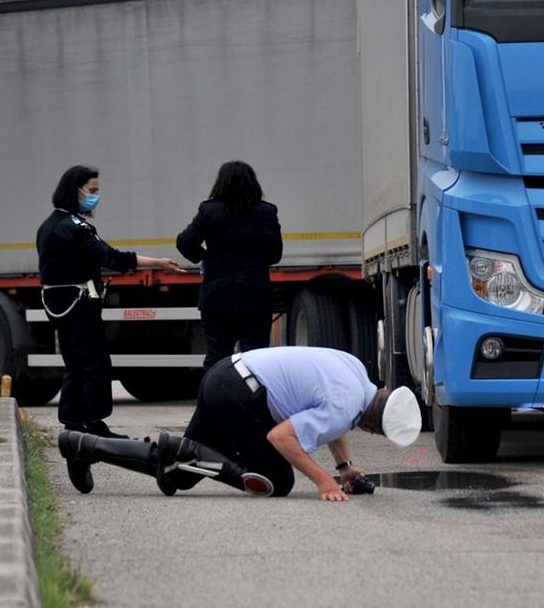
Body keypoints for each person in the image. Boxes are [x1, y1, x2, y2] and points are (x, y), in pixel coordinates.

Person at [57, 346, 422, 501]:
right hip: (237, 395)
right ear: (373, 427)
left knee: (180, 474)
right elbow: (282, 438)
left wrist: (343, 466)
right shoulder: (346, 409)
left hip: (228, 375)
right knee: (277, 481)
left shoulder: (357, 375)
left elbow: (334, 419)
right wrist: (325, 481)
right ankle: (188, 452)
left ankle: (82, 446)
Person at [37, 165, 184, 437]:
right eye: (92, 191)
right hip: (80, 304)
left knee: (74, 363)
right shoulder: (75, 227)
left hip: (58, 304)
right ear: (75, 190)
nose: (95, 197)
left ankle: (72, 421)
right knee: (95, 363)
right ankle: (94, 423)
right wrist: (157, 262)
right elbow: (111, 257)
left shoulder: (48, 225)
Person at [176, 161, 282, 376]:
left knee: (217, 357)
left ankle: (215, 404)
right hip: (255, 298)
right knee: (257, 359)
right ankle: (255, 405)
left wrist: (206, 258)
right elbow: (275, 254)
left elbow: (184, 242)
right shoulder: (267, 212)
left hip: (217, 297)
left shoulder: (209, 210)